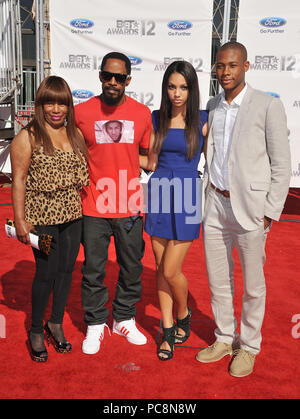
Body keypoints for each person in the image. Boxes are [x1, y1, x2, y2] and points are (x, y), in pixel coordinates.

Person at [196, 42, 291, 377]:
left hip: (251, 209)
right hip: (216, 204)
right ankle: (224, 337)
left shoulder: (267, 105)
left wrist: (269, 211)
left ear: (246, 66)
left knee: (253, 285)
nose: (225, 72)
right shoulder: (212, 105)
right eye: (220, 66)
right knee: (218, 280)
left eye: (232, 66)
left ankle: (249, 346)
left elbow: (281, 164)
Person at [75, 52, 152, 355]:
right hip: (92, 206)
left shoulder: (143, 114)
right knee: (93, 269)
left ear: (128, 80)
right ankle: (95, 324)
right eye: (107, 75)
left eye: (119, 77)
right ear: (100, 76)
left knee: (131, 267)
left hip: (130, 206)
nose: (112, 82)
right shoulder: (81, 112)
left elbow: (147, 156)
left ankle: (123, 318)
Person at [10, 76, 89, 362]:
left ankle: (55, 322)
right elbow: (17, 179)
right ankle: (35, 330)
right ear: (40, 104)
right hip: (41, 218)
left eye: (62, 102)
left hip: (72, 216)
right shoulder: (27, 136)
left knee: (67, 271)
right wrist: (20, 219)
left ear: (69, 105)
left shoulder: (75, 134)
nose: (56, 108)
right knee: (45, 272)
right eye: (49, 102)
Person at [142, 61, 208, 361]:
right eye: (172, 86)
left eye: (183, 87)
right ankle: (167, 329)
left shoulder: (204, 120)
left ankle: (183, 312)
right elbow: (151, 162)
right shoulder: (156, 118)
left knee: (171, 270)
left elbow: (219, 163)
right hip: (158, 194)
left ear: (192, 89)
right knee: (160, 269)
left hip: (187, 197)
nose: (177, 93)